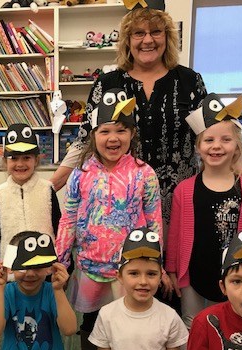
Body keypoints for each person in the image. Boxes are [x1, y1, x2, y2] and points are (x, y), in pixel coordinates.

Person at [51, 1, 207, 226]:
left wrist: (237, 171)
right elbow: (84, 141)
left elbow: (211, 135)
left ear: (168, 37)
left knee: (175, 260)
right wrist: (51, 185)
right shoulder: (107, 83)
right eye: (138, 33)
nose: (148, 40)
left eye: (156, 32)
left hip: (179, 203)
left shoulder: (190, 81)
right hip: (120, 205)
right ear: (127, 40)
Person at [56, 87, 163, 350]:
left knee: (129, 326)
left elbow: (155, 220)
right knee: (91, 325)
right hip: (90, 268)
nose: (113, 138)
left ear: (132, 133)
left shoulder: (144, 174)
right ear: (94, 135)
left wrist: (157, 265)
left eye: (121, 130)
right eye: (105, 131)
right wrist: (60, 261)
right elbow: (69, 219)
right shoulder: (81, 173)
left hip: (129, 272)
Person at [166, 94, 242, 329]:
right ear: (198, 147)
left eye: (225, 139)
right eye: (208, 140)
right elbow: (175, 235)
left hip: (237, 274)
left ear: (236, 146)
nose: (217, 146)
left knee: (233, 326)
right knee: (192, 325)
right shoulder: (184, 190)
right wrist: (171, 269)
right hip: (193, 274)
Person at [0, 123, 61, 263]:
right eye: (14, 158)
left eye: (26, 157)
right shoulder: (0, 194)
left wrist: (63, 263)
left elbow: (58, 227)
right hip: (12, 266)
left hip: (45, 265)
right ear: (5, 161)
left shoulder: (47, 190)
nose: (20, 164)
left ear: (36, 160)